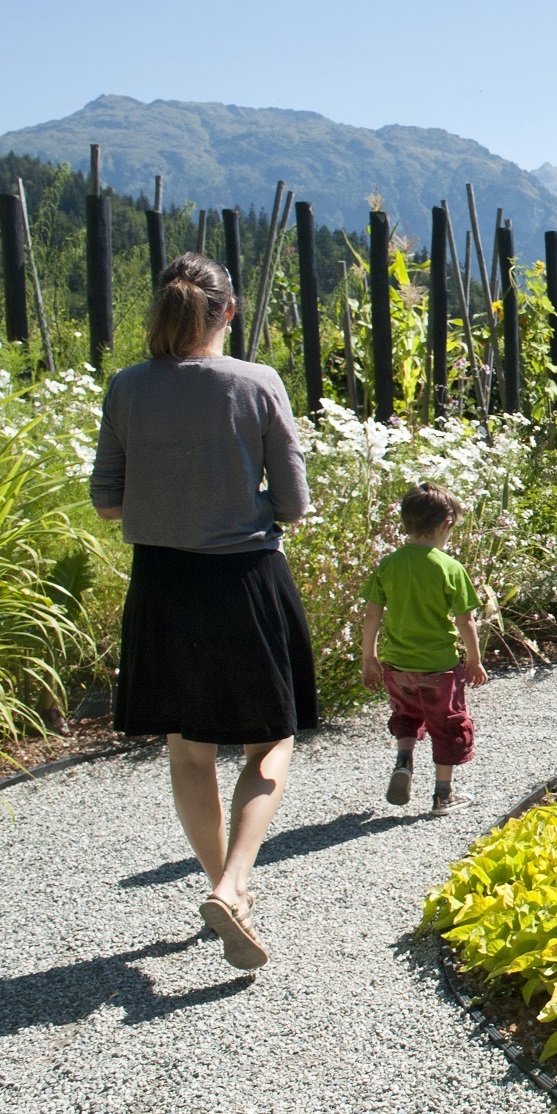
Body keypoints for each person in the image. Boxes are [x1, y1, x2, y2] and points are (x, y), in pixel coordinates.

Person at [91, 253, 316, 973]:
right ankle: (234, 883)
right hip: (245, 578)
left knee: (188, 748)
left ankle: (222, 890)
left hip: (161, 583)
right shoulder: (257, 382)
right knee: (270, 740)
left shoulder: (126, 387)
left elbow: (108, 497)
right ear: (228, 312)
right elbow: (294, 502)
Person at [358, 483, 488, 814]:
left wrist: (369, 659)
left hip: (396, 666)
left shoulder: (389, 565)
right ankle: (443, 796)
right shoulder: (449, 568)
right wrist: (474, 661)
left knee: (407, 714)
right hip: (439, 668)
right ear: (446, 525)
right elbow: (466, 622)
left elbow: (372, 614)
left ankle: (404, 760)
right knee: (446, 724)